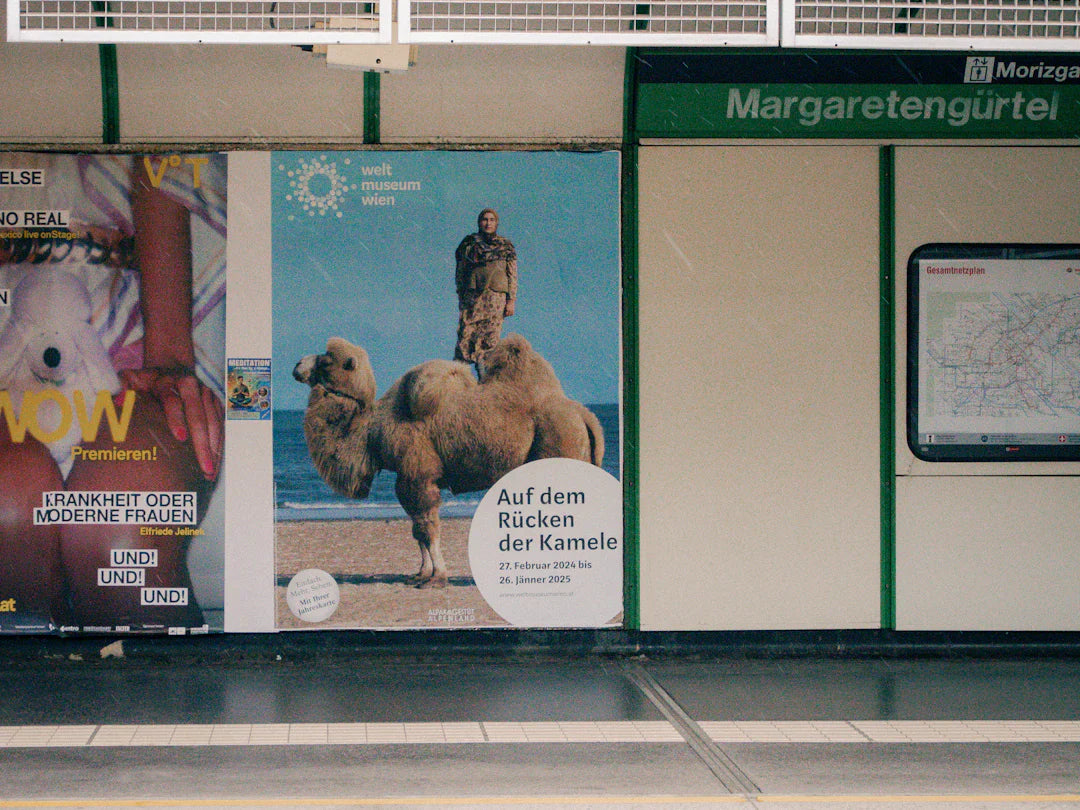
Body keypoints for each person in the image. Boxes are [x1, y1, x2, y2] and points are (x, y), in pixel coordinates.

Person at [0, 154, 225, 631]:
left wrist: (168, 358)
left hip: (145, 307)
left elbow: (161, 151)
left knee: (123, 530)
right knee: (8, 507)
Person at [454, 208, 517, 366]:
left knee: (490, 339)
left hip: (495, 299)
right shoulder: (469, 244)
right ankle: (459, 375)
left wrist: (511, 301)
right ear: (479, 222)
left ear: (496, 223)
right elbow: (460, 271)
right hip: (473, 298)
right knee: (466, 336)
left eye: (492, 220)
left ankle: (484, 373)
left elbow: (512, 274)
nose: (488, 223)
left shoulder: (505, 246)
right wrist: (461, 294)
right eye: (485, 219)